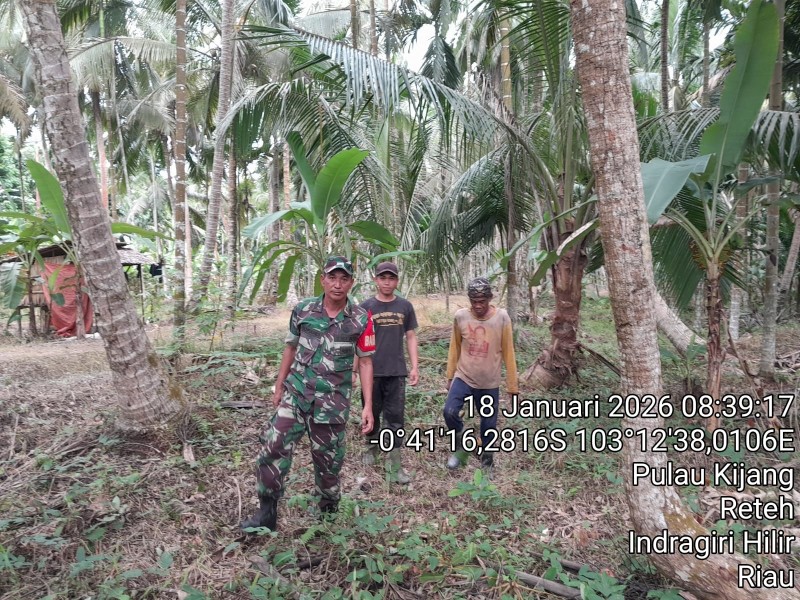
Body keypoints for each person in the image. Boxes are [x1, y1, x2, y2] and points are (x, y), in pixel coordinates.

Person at [241, 256, 376, 531]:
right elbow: (290, 347)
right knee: (273, 445)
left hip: (332, 403)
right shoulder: (303, 310)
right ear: (322, 279)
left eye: (344, 279)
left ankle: (327, 516)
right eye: (332, 277)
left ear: (351, 282)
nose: (337, 284)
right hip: (297, 394)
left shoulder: (361, 318)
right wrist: (279, 385)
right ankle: (266, 515)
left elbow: (365, 361)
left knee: (328, 463)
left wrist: (368, 405)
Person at [443, 277, 518, 474]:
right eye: (474, 301)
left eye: (482, 301)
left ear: (489, 298)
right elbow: (455, 347)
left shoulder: (501, 318)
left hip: (489, 382)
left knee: (488, 424)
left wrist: (513, 387)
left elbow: (509, 352)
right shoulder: (461, 317)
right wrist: (450, 376)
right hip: (464, 376)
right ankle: (461, 448)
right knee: (449, 412)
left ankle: (487, 461)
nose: (478, 305)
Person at [359, 261, 419, 484]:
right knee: (371, 413)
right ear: (376, 280)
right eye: (383, 278)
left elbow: (411, 336)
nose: (387, 282)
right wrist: (356, 369)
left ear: (397, 281)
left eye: (391, 278)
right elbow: (359, 340)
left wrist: (414, 366)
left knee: (395, 418)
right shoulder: (366, 306)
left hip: (396, 372)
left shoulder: (405, 306)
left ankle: (395, 464)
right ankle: (371, 449)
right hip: (370, 372)